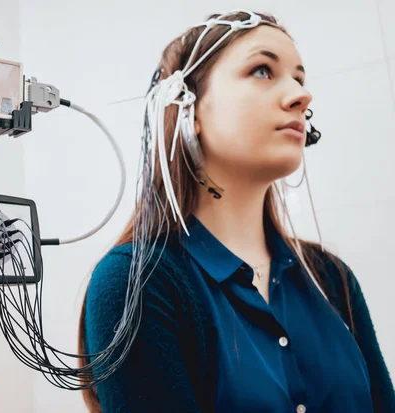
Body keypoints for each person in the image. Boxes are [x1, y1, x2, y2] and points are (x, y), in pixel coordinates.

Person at [76, 10, 395, 413]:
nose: (301, 95)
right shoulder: (137, 285)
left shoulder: (332, 278)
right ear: (188, 111)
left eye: (299, 78)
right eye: (263, 71)